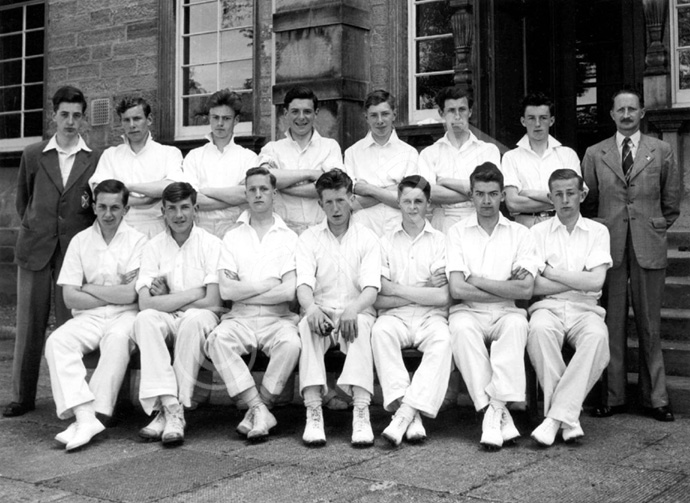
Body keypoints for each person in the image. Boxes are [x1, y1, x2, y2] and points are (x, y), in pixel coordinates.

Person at [582, 88, 680, 422]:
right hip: (609, 246)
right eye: (620, 109)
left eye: (632, 109)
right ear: (611, 114)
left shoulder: (662, 150)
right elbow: (590, 202)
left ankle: (657, 398)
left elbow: (671, 202)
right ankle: (614, 396)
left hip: (647, 245)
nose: (626, 115)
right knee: (613, 322)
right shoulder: (596, 153)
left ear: (641, 113)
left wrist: (652, 227)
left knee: (650, 323)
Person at [5, 86, 101, 418]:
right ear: (54, 116)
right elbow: (24, 200)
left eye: (76, 115)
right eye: (64, 115)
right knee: (29, 325)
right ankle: (22, 396)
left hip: (73, 253)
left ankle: (73, 399)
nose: (70, 122)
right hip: (35, 248)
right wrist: (38, 227)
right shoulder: (33, 154)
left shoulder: (95, 157)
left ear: (83, 118)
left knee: (70, 325)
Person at [44, 180, 148, 450]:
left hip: (125, 315)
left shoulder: (138, 241)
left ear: (126, 208)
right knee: (57, 341)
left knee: (116, 340)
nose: (108, 214)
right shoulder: (80, 241)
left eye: (115, 207)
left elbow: (130, 296)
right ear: (93, 207)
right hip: (88, 316)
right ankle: (84, 415)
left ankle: (96, 414)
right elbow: (69, 297)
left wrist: (88, 287)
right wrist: (111, 290)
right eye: (102, 206)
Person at [446, 162, 538, 450]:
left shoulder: (520, 234)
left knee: (518, 324)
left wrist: (475, 278)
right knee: (460, 329)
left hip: (506, 311)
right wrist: (500, 285)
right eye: (480, 194)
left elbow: (524, 289)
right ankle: (495, 412)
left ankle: (493, 410)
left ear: (502, 196)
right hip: (468, 311)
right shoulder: (456, 232)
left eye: (493, 194)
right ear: (470, 195)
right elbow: (457, 289)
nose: (486, 201)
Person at [205, 167, 301, 441]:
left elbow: (288, 293)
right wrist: (267, 284)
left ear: (274, 193)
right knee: (217, 340)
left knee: (291, 343)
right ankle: (258, 407)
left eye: (264, 189)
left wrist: (245, 290)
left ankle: (261, 408)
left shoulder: (289, 237)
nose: (258, 194)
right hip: (241, 317)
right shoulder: (232, 236)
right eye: (252, 189)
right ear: (245, 194)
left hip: (278, 318)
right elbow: (226, 289)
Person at [132, 182, 223, 445]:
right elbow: (145, 304)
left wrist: (169, 300)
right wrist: (195, 293)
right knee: (145, 320)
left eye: (185, 207)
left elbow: (213, 302)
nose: (178, 215)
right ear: (162, 211)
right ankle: (172, 407)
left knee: (193, 320)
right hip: (172, 316)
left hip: (202, 318)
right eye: (171, 208)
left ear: (195, 209)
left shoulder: (212, 244)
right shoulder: (153, 247)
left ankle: (170, 411)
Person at [296, 169, 381, 447]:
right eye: (329, 202)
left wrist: (353, 309)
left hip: (355, 311)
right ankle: (313, 409)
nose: (335, 208)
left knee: (360, 325)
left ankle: (361, 410)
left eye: (341, 201)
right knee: (306, 326)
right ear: (320, 204)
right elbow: (303, 286)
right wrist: (311, 309)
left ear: (352, 199)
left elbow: (371, 288)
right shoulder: (309, 238)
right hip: (322, 311)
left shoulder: (367, 238)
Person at [527, 169, 611, 446]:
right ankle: (568, 418)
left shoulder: (598, 232)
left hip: (586, 309)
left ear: (582, 194)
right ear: (550, 197)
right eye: (558, 194)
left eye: (570, 193)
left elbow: (597, 280)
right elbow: (533, 287)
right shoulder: (536, 233)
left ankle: (554, 418)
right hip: (547, 308)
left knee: (598, 337)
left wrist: (551, 273)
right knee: (538, 331)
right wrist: (578, 280)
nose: (565, 200)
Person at [372, 175, 452, 447]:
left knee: (443, 340)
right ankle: (410, 414)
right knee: (380, 332)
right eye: (407, 201)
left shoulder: (441, 241)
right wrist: (421, 291)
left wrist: (396, 288)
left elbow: (442, 296)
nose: (412, 207)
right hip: (395, 317)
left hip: (431, 318)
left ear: (429, 204)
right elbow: (378, 298)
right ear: (398, 202)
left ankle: (404, 414)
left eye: (419, 201)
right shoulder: (384, 241)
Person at [89, 97, 184, 237]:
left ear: (149, 119)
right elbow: (101, 195)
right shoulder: (110, 155)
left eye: (137, 118)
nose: (132, 125)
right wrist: (144, 200)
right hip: (118, 229)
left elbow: (171, 188)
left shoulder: (169, 153)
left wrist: (127, 187)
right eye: (126, 120)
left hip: (157, 229)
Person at [258, 86, 343, 235]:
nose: (301, 117)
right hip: (283, 233)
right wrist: (310, 174)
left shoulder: (330, 146)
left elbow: (331, 188)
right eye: (295, 111)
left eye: (307, 111)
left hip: (322, 232)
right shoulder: (272, 149)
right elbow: (265, 180)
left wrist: (281, 186)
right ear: (285, 113)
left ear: (316, 113)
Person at [419, 86, 500, 234]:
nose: (457, 116)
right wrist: (476, 193)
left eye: (462, 109)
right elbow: (429, 194)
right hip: (443, 225)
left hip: (479, 221)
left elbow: (492, 189)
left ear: (470, 112)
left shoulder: (488, 150)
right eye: (451, 110)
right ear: (441, 113)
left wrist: (445, 182)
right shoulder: (429, 154)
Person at [183, 90, 258, 239]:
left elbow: (247, 193)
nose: (220, 123)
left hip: (237, 228)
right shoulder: (194, 157)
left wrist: (206, 191)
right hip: (201, 228)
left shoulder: (248, 157)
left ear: (236, 120)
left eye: (226, 118)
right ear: (209, 118)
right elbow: (192, 199)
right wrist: (232, 198)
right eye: (215, 117)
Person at [344, 89, 419, 236]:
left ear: (394, 115)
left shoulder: (410, 153)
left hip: (398, 230)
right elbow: (350, 202)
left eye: (385, 114)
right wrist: (393, 189)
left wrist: (368, 189)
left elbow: (408, 199)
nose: (380, 121)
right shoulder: (352, 153)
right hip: (362, 230)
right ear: (366, 118)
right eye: (373, 115)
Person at [502, 92, 581, 228]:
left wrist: (528, 193)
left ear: (551, 121)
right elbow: (513, 203)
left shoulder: (567, 155)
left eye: (543, 118)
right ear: (523, 121)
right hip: (526, 228)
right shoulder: (511, 157)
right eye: (531, 118)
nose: (537, 124)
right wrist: (557, 199)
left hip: (561, 225)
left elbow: (576, 198)